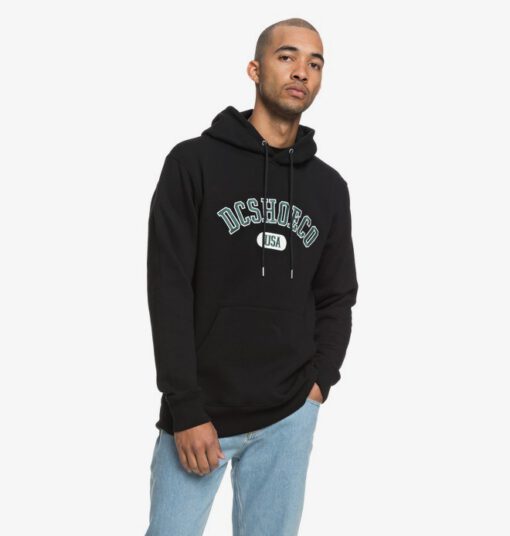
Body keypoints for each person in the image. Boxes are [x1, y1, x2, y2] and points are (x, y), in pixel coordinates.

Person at [144, 17, 359, 536]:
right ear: (255, 69)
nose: (301, 71)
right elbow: (168, 289)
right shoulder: (192, 163)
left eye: (314, 63)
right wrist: (185, 406)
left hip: (289, 413)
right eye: (287, 57)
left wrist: (318, 384)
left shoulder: (329, 188)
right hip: (201, 413)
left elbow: (336, 296)